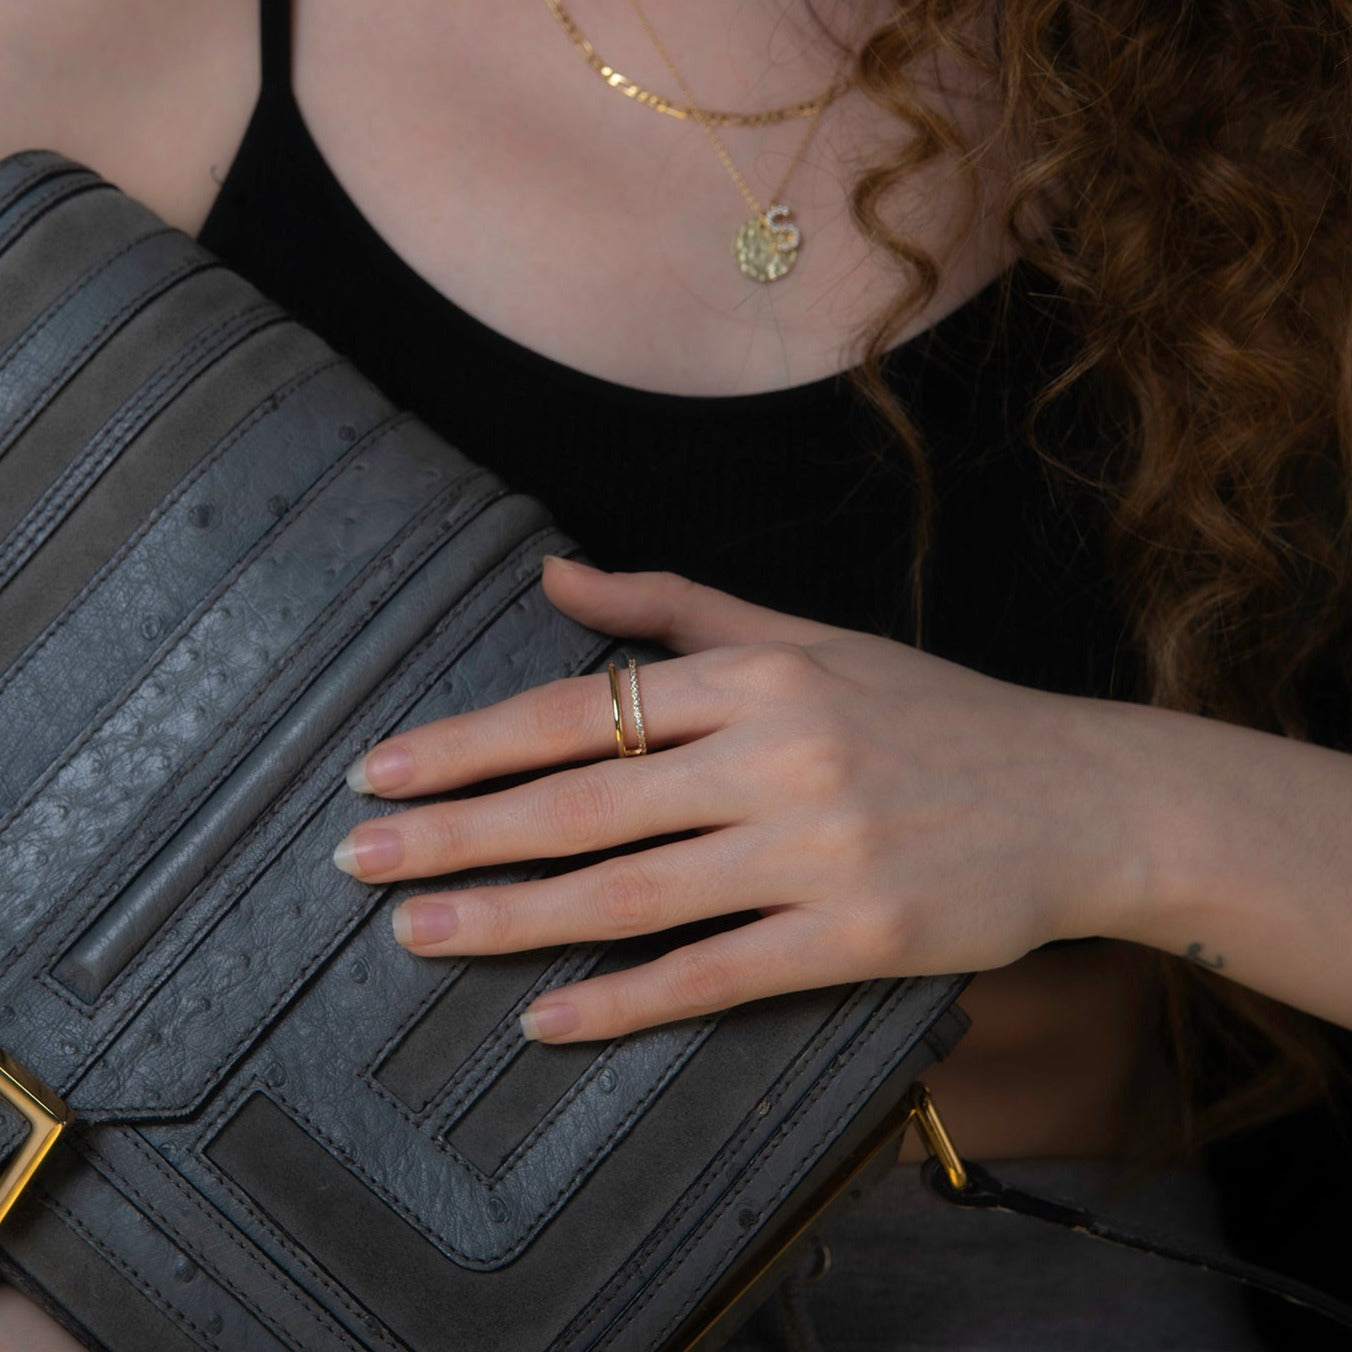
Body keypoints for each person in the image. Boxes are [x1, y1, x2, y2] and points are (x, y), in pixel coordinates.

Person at [1, 1, 1349, 1347]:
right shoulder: (89, 49)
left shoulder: (1288, 110)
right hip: (194, 1286)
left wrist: (1112, 807)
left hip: (1002, 1260)